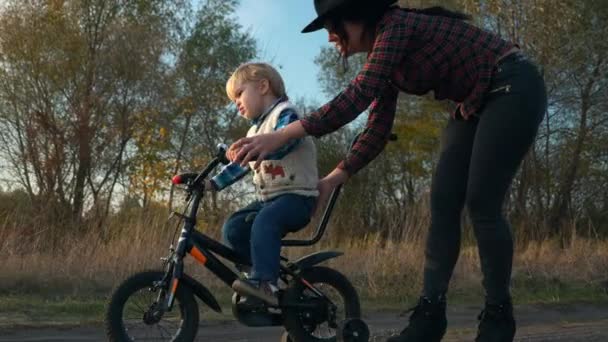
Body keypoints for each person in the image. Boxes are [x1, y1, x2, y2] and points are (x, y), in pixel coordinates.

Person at [229, 0, 547, 341]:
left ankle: (498, 319)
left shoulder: (397, 26)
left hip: (512, 83)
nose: (331, 39)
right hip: (473, 102)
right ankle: (428, 320)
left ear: (354, 17)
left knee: (482, 202)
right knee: (442, 202)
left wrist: (282, 135)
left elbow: (358, 95)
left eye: (331, 28)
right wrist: (334, 178)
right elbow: (377, 129)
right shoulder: (384, 55)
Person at [206, 62, 318, 308]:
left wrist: (258, 148)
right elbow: (240, 165)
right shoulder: (254, 129)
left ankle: (266, 283)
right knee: (233, 228)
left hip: (298, 198)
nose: (236, 102)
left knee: (264, 221)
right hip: (270, 200)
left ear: (263, 86)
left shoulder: (286, 114)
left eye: (239, 94)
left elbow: (285, 143)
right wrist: (211, 184)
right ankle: (259, 274)